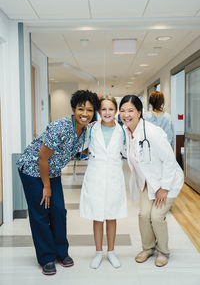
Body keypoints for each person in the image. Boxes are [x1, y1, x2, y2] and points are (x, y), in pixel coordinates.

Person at [16, 90, 100, 275]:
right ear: (73, 109)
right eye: (80, 109)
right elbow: (42, 158)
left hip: (51, 171)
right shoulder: (60, 127)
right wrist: (46, 186)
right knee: (40, 213)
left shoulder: (84, 130)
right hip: (32, 169)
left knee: (59, 211)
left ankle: (61, 252)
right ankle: (46, 257)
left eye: (89, 110)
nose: (84, 113)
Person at [119, 95, 184, 267]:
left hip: (167, 181)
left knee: (156, 216)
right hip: (147, 183)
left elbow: (170, 160)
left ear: (140, 112)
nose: (126, 114)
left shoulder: (151, 132)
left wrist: (164, 187)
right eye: (123, 110)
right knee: (143, 215)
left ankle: (163, 251)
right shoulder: (126, 131)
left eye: (131, 110)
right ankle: (148, 248)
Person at [80, 96, 127, 269]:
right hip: (95, 176)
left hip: (114, 176)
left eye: (111, 109)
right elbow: (82, 148)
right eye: (104, 109)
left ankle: (112, 251)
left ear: (116, 112)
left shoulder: (122, 131)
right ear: (99, 112)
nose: (107, 112)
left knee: (111, 216)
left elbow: (128, 152)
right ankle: (99, 252)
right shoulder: (91, 129)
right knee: (97, 216)